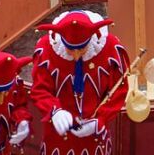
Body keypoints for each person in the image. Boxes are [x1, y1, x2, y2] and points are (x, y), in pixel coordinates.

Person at [30, 10, 130, 155]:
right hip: (57, 137)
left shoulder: (110, 49)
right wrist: (54, 111)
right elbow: (40, 89)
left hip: (94, 139)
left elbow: (119, 90)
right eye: (70, 49)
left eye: (82, 49)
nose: (76, 56)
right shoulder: (46, 49)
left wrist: (100, 120)